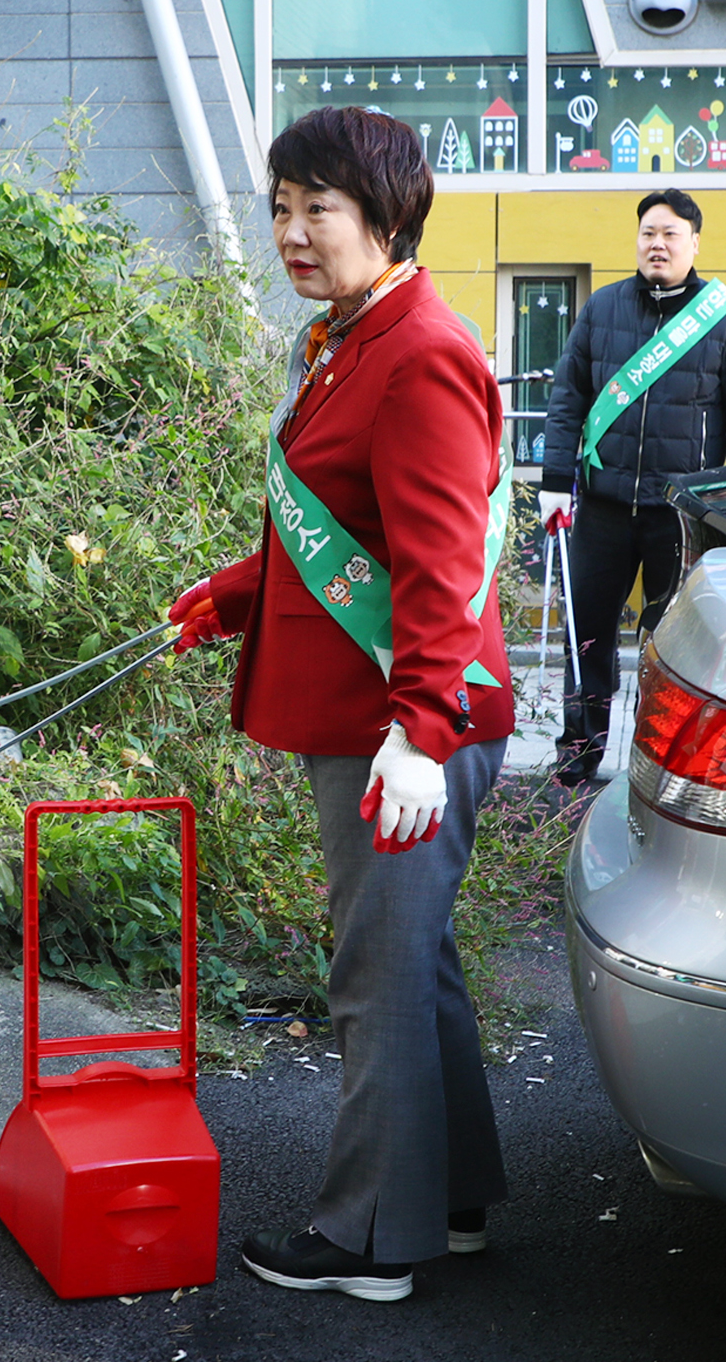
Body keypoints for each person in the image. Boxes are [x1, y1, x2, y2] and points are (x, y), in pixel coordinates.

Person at [169, 106, 512, 1302]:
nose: (293, 231)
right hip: (385, 715)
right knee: (416, 963)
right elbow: (336, 536)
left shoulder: (418, 352)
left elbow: (438, 567)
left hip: (404, 726)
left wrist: (419, 733)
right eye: (280, 205)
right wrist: (228, 597)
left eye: (320, 206)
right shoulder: (353, 338)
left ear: (387, 214)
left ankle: (375, 1241)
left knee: (375, 973)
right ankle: (451, 1200)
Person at [537, 189, 726, 788]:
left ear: (694, 242)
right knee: (586, 633)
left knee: (669, 642)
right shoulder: (603, 308)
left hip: (678, 514)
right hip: (602, 508)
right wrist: (557, 481)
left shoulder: (724, 318)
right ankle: (577, 755)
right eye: (647, 234)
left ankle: (656, 762)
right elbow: (568, 400)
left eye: (669, 234)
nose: (656, 244)